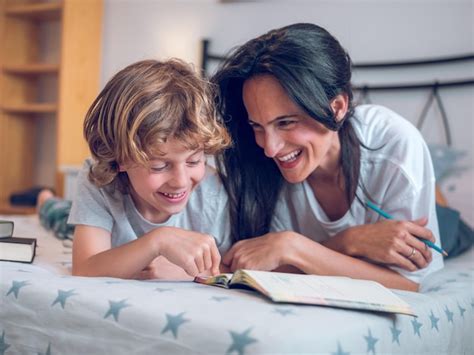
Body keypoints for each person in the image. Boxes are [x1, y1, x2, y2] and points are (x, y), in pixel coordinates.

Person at [212, 23, 444, 291]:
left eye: (286, 122)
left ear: (337, 108)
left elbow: (408, 285)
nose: (270, 149)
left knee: (451, 226)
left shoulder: (394, 145)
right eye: (257, 126)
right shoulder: (257, 164)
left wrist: (293, 247)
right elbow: (266, 265)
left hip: (441, 226)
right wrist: (348, 241)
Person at [49, 59, 231, 280]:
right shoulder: (100, 180)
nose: (181, 181)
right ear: (120, 159)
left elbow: (231, 269)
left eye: (194, 161)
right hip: (82, 222)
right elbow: (85, 267)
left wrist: (186, 273)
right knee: (57, 218)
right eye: (159, 166)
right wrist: (158, 241)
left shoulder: (213, 194)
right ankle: (45, 199)